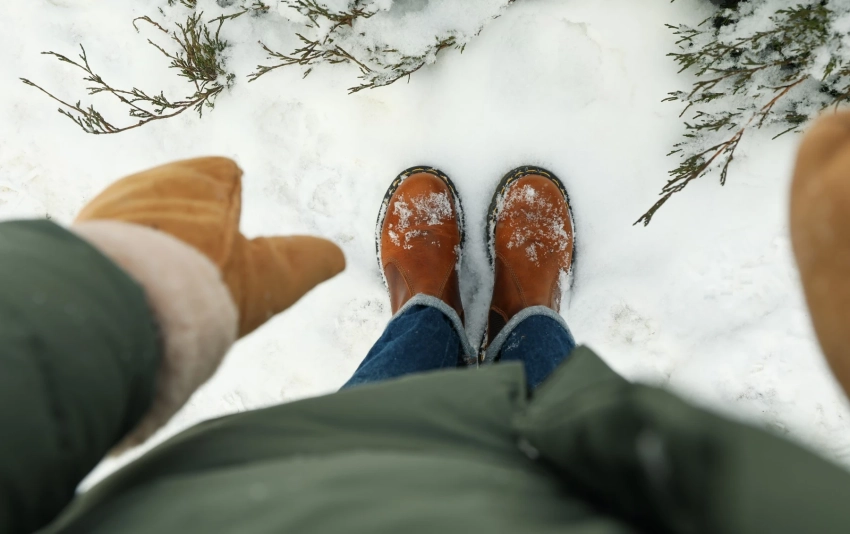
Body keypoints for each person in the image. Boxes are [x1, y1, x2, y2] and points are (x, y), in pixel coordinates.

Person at [3, 112, 850, 534]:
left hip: (303, 495)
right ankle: (525, 315)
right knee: (566, 399)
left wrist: (124, 292)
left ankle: (429, 306)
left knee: (387, 397)